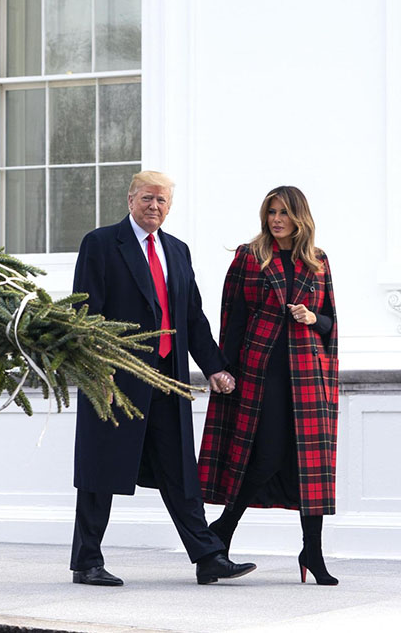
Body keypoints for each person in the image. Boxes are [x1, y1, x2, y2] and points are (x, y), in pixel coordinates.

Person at [70, 170, 256, 586]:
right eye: (148, 199)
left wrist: (215, 366)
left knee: (180, 470)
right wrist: (96, 369)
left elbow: (191, 316)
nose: (155, 207)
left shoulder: (177, 250)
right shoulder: (100, 244)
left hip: (167, 379)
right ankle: (87, 562)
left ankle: (208, 557)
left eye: (163, 201)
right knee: (102, 471)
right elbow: (85, 313)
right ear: (130, 199)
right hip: (116, 379)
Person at [199, 186, 339, 586]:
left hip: (308, 377)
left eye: (283, 213)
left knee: (309, 466)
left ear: (300, 217)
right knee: (267, 456)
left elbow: (331, 323)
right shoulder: (251, 256)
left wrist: (312, 318)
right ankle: (222, 530)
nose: (276, 219)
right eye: (271, 212)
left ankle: (312, 549)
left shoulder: (318, 261)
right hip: (263, 373)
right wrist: (225, 368)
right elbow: (233, 316)